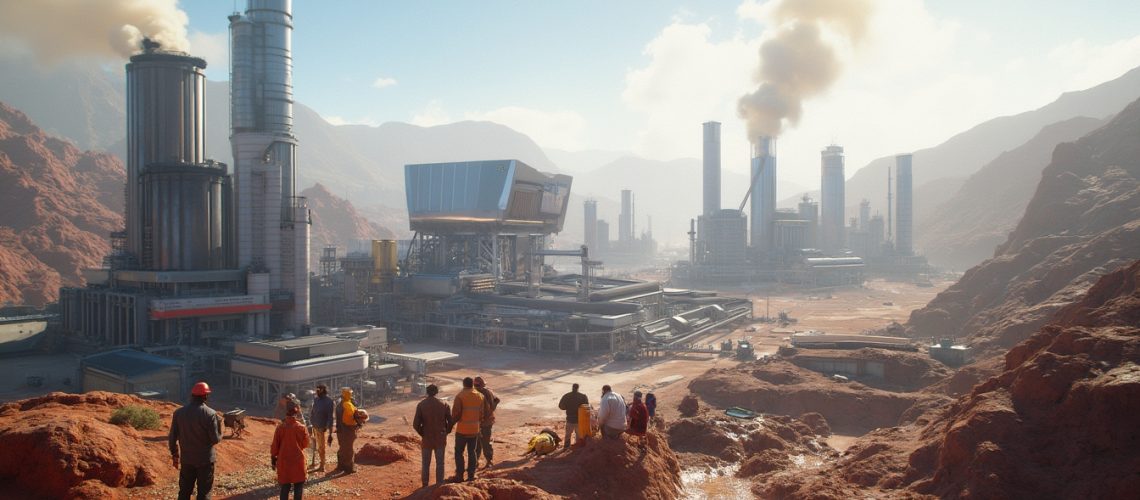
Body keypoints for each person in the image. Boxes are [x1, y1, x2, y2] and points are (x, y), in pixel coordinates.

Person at [169, 381, 223, 500]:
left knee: (184, 492)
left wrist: (175, 454)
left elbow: (172, 437)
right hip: (205, 461)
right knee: (204, 493)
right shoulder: (210, 414)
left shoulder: (178, 413)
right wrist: (220, 429)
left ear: (192, 396)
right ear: (205, 396)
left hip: (187, 460)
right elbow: (215, 440)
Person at [413, 384, 452, 488]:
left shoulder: (421, 405)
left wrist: (423, 433)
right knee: (440, 463)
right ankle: (439, 484)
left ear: (427, 392)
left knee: (426, 463)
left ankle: (425, 484)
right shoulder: (444, 404)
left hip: (427, 438)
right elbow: (451, 421)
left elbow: (415, 424)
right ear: (436, 392)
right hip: (440, 437)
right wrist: (446, 432)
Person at [271, 401, 310, 500]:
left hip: (284, 462)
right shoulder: (301, 428)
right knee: (298, 486)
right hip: (298, 461)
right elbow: (306, 444)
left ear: (286, 414)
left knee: (285, 486)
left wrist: (273, 459)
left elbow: (275, 446)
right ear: (296, 414)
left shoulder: (280, 428)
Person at [450, 377, 485, 482]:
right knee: (472, 452)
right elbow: (481, 414)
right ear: (472, 384)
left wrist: (450, 425)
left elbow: (455, 414)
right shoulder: (480, 396)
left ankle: (459, 476)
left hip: (462, 430)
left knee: (459, 452)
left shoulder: (460, 396)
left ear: (463, 384)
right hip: (474, 430)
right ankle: (471, 475)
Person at [473, 376, 499, 468]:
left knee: (477, 443)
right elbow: (496, 400)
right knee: (485, 442)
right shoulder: (487, 392)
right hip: (486, 422)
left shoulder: (473, 393)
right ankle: (489, 461)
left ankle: (476, 462)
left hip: (476, 423)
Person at [334, 387, 361, 474]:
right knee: (349, 449)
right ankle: (349, 468)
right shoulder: (347, 405)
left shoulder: (339, 404)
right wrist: (357, 424)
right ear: (348, 394)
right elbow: (349, 420)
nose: (351, 395)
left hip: (340, 430)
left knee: (342, 448)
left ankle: (340, 466)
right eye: (350, 393)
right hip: (347, 431)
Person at [309, 384, 335, 471]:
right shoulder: (316, 400)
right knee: (315, 446)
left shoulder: (329, 401)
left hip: (322, 428)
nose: (317, 392)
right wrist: (311, 422)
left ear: (323, 390)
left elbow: (330, 417)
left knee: (321, 447)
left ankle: (322, 465)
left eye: (319, 390)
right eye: (317, 390)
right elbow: (313, 412)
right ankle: (314, 462)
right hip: (315, 426)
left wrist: (329, 431)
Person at [557, 383, 589, 449]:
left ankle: (566, 447)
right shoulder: (582, 396)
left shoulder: (566, 396)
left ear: (572, 388)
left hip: (570, 419)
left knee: (568, 435)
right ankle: (577, 448)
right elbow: (586, 407)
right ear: (578, 388)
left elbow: (561, 406)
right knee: (578, 435)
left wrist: (568, 407)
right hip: (579, 420)